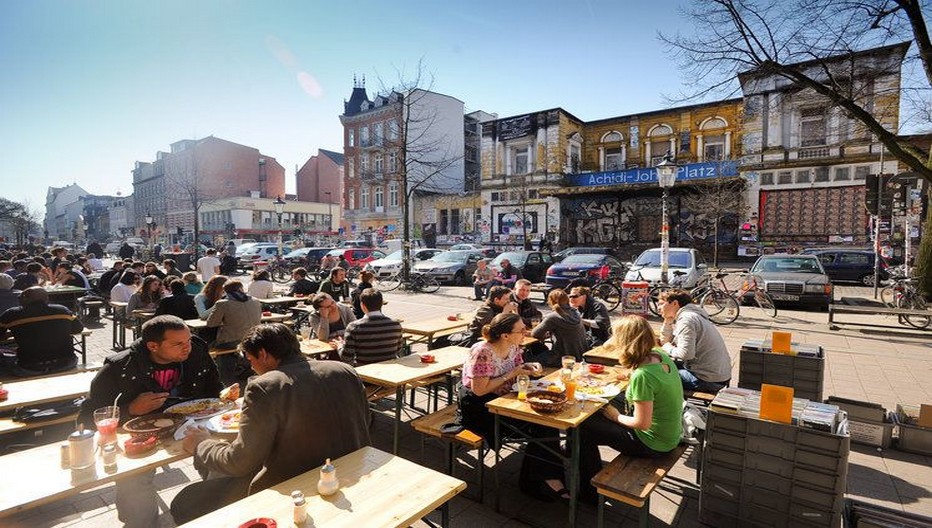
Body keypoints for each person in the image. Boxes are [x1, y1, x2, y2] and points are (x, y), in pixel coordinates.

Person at [170, 323, 371, 524]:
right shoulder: (345, 370)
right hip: (349, 468)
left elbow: (239, 462)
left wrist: (202, 444)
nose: (251, 367)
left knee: (185, 501)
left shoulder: (264, 387)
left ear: (263, 354)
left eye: (250, 360)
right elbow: (367, 420)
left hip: (292, 485)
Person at [78, 315, 228, 527]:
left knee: (222, 461)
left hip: (191, 424)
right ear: (153, 346)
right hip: (139, 433)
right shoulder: (120, 367)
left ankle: (215, 514)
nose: (188, 348)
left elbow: (214, 390)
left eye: (189, 341)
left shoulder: (197, 353)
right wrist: (130, 409)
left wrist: (224, 398)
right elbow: (88, 417)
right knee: (134, 480)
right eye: (178, 344)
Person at [460, 313, 568, 501]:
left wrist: (531, 367)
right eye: (521, 330)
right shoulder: (482, 351)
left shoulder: (513, 346)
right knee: (542, 423)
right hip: (480, 406)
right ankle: (541, 479)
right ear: (505, 335)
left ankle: (544, 476)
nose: (526, 332)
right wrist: (512, 374)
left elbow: (519, 370)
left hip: (506, 397)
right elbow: (479, 391)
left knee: (547, 418)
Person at [578, 315, 684, 503]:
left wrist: (615, 416)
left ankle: (589, 493)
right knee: (600, 409)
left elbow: (642, 423)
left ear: (626, 342)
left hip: (653, 444)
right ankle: (579, 463)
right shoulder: (661, 356)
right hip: (670, 435)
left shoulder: (643, 376)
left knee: (583, 425)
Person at [658, 289, 732, 393]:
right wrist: (667, 321)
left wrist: (667, 347)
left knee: (654, 374)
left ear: (674, 303)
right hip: (717, 374)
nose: (658, 307)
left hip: (708, 379)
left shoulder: (687, 319)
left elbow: (685, 354)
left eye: (661, 304)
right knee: (660, 364)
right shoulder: (691, 315)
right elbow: (665, 340)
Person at [0, 287, 83, 376]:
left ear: (23, 299)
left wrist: (16, 332)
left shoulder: (11, 314)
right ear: (47, 299)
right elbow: (78, 329)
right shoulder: (63, 310)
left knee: (4, 360)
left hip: (29, 367)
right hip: (66, 363)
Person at [341, 288, 402, 366]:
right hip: (389, 370)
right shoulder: (395, 325)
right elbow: (398, 349)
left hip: (365, 371)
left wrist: (340, 346)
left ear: (362, 305)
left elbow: (346, 357)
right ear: (381, 303)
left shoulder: (354, 327)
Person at [530, 289, 587, 367]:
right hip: (580, 356)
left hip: (562, 358)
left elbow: (535, 334)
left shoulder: (553, 317)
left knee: (528, 359)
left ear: (550, 301)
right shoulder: (575, 312)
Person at [206, 280, 262, 350]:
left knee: (207, 341)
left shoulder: (222, 303)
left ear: (225, 291)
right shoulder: (255, 301)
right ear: (241, 288)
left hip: (231, 341)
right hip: (253, 338)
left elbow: (211, 323)